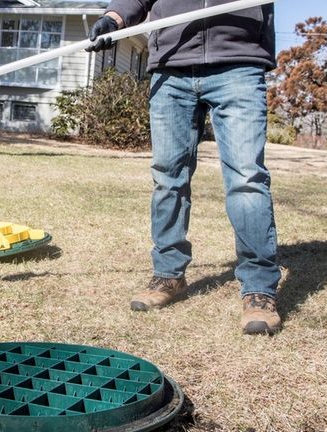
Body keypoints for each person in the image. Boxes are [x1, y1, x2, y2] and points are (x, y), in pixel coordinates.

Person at [87, 0, 282, 335]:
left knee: (247, 178)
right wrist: (114, 17)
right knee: (168, 178)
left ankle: (258, 290)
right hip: (171, 66)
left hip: (237, 59)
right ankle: (168, 275)